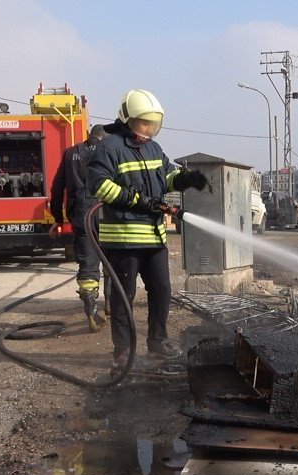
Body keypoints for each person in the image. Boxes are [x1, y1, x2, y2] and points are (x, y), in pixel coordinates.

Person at [82, 89, 209, 368]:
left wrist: (186, 179)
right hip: (123, 239)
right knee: (123, 297)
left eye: (153, 124)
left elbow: (166, 176)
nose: (149, 129)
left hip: (154, 237)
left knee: (162, 290)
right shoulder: (110, 147)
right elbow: (98, 184)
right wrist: (136, 200)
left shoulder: (153, 148)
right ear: (128, 119)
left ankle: (157, 342)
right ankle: (124, 351)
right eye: (144, 123)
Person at [50, 123, 109, 331]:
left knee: (88, 263)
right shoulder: (111, 150)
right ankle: (110, 304)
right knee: (111, 260)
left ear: (89, 135)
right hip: (106, 211)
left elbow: (57, 187)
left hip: (82, 213)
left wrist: (57, 217)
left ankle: (91, 310)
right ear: (104, 137)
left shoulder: (71, 153)